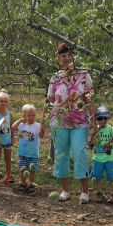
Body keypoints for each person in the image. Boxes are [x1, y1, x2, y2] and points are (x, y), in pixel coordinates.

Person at [47, 42, 96, 203]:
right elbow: (50, 101)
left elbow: (89, 100)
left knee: (80, 153)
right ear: (58, 58)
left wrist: (93, 122)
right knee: (61, 156)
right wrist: (43, 121)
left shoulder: (83, 75)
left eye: (69, 55)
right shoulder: (55, 78)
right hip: (59, 123)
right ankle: (65, 190)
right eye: (63, 56)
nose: (67, 58)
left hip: (80, 122)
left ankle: (84, 191)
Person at [11, 104, 47, 195]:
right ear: (24, 116)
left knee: (32, 170)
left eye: (33, 115)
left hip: (33, 153)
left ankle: (30, 184)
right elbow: (13, 127)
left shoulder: (37, 126)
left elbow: (41, 136)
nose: (31, 117)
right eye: (29, 115)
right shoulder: (22, 126)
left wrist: (42, 132)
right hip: (22, 153)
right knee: (23, 169)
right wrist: (20, 120)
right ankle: (23, 184)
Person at [89, 106, 113, 203]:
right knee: (97, 175)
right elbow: (91, 142)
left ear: (108, 118)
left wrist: (110, 149)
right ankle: (99, 193)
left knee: (112, 176)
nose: (102, 121)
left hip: (110, 157)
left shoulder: (112, 129)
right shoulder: (95, 130)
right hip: (98, 157)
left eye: (105, 118)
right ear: (96, 119)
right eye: (100, 118)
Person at [0, 91, 14, 182]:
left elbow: (11, 127)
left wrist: (13, 138)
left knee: (8, 158)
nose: (3, 103)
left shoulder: (9, 115)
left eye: (5, 101)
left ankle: (8, 175)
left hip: (7, 140)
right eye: (1, 101)